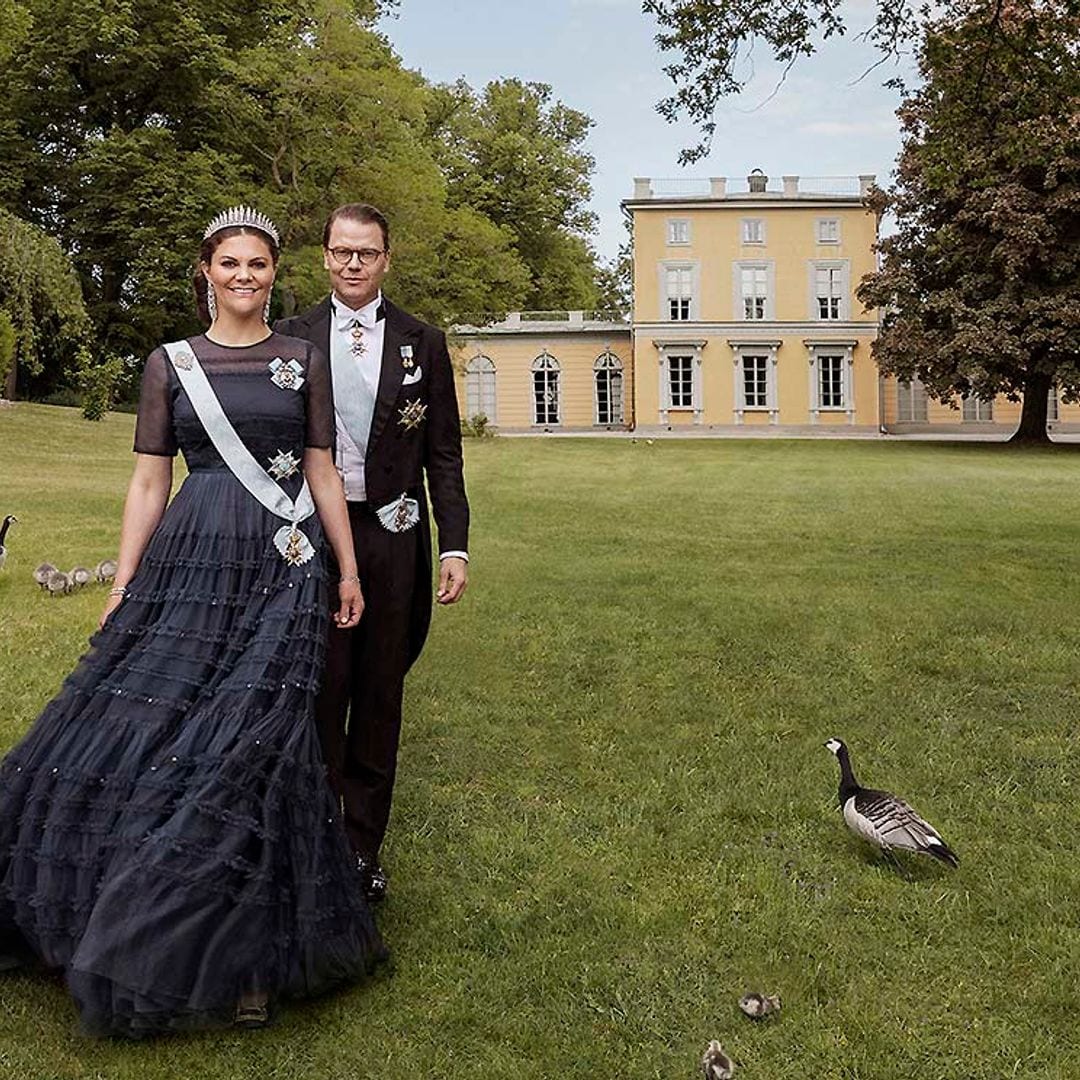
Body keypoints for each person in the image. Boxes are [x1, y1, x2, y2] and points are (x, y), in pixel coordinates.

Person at [0, 207, 386, 1036]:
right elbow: (148, 481)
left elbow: (321, 468)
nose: (246, 277)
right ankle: (102, 904)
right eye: (231, 264)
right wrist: (122, 580)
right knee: (149, 722)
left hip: (285, 566)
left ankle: (245, 958)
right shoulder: (169, 365)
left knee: (259, 737)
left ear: (276, 273)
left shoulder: (301, 359)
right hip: (190, 560)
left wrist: (348, 567)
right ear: (205, 272)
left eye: (259, 265)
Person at [275, 203, 469, 901]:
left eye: (367, 253)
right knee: (321, 688)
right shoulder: (290, 337)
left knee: (381, 693)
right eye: (341, 252)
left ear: (387, 259)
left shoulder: (425, 340)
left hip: (395, 536)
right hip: (317, 537)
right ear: (324, 257)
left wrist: (456, 547)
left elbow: (443, 453)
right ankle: (318, 834)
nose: (353, 263)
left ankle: (362, 850)